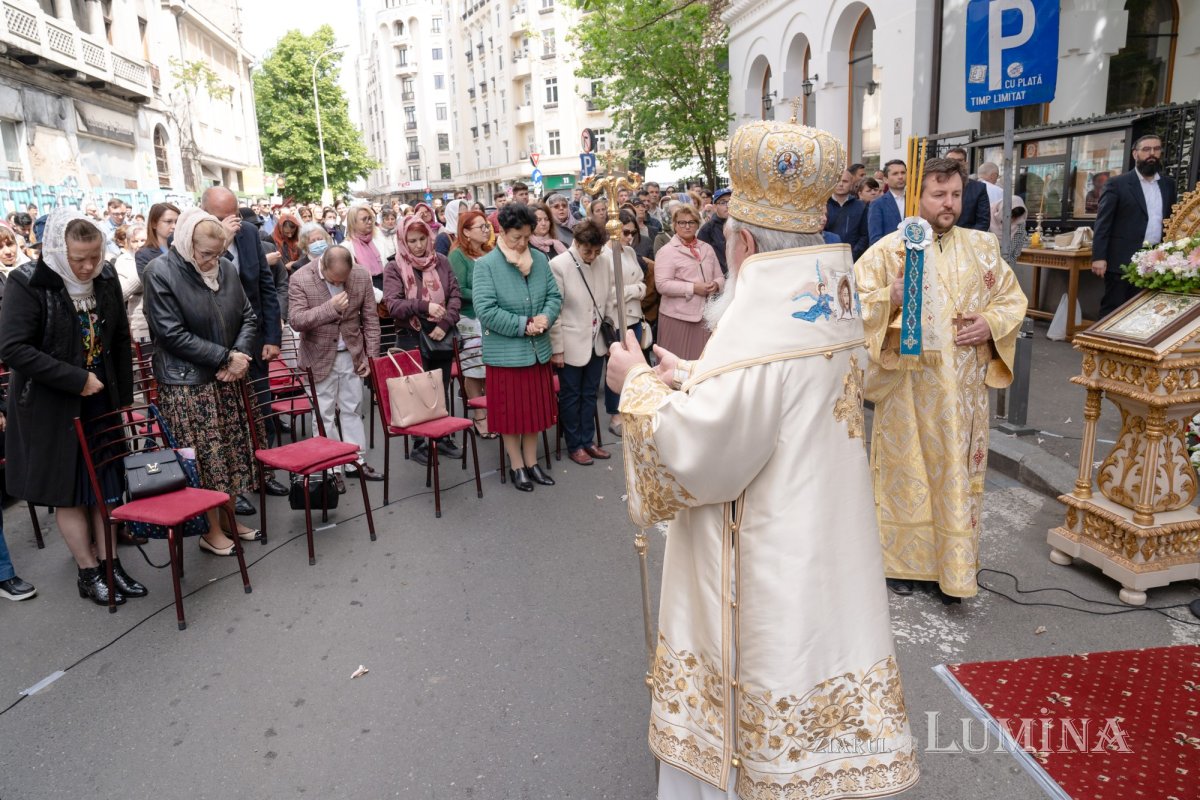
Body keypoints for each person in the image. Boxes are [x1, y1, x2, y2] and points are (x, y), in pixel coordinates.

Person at [606, 119, 918, 800]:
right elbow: (779, 401)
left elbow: (704, 454)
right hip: (822, 544)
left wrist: (635, 385)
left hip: (767, 560)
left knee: (758, 731)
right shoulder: (830, 303)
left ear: (743, 242)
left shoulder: (757, 332)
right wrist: (691, 375)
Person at [855, 157, 1028, 603]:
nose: (948, 204)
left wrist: (990, 323)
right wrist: (887, 296)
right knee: (908, 472)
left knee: (956, 473)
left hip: (964, 392)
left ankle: (954, 567)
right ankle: (901, 563)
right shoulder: (890, 250)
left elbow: (1011, 299)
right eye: (938, 195)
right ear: (919, 197)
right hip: (908, 388)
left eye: (954, 195)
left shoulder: (983, 247)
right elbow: (851, 304)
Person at [0, 210, 143, 605]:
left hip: (101, 400)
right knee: (71, 491)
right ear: (57, 251)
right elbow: (13, 348)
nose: (88, 266)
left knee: (106, 487)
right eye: (79, 258)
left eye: (95, 256)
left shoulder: (106, 275)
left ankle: (112, 565)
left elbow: (119, 337)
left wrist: (123, 396)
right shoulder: (28, 281)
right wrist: (75, 378)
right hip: (52, 408)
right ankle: (88, 571)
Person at [143, 208, 263, 553]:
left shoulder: (225, 267)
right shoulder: (160, 271)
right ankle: (210, 531)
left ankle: (228, 519)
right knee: (205, 461)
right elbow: (170, 333)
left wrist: (238, 356)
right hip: (188, 384)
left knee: (231, 454)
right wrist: (225, 357)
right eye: (206, 253)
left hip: (228, 376)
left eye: (218, 253)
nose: (213, 261)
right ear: (186, 243)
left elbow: (247, 316)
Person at [200, 186, 286, 506]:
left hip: (255, 338)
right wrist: (220, 239)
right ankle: (232, 490)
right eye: (221, 217)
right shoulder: (197, 237)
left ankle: (264, 473)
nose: (231, 222)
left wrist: (272, 337)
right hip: (218, 344)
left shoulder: (249, 233)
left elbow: (265, 285)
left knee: (261, 410)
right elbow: (206, 282)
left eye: (233, 215)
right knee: (227, 420)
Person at [472, 203, 561, 492]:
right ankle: (517, 465)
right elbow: (486, 311)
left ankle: (532, 462)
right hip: (506, 356)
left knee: (534, 413)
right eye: (516, 238)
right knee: (510, 415)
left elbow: (554, 296)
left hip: (537, 351)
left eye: (526, 237)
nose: (522, 243)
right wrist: (524, 324)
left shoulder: (540, 259)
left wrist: (546, 317)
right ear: (502, 232)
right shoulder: (486, 265)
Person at [288, 244, 383, 492]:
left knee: (353, 409)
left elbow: (371, 319)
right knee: (324, 414)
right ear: (323, 266)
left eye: (344, 280)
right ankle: (331, 469)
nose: (339, 284)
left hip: (352, 354)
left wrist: (371, 357)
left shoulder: (360, 275)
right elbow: (296, 320)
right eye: (334, 280)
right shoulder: (301, 278)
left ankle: (355, 461)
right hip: (318, 356)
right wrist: (330, 308)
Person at [383, 216, 464, 466]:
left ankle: (442, 436)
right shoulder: (394, 267)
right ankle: (420, 443)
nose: (418, 245)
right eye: (412, 241)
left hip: (440, 334)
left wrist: (445, 323)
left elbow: (455, 296)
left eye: (422, 239)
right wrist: (424, 305)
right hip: (411, 335)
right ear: (403, 241)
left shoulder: (441, 261)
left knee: (439, 386)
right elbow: (393, 305)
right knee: (416, 390)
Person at [548, 220, 614, 468]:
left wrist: (609, 329)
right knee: (571, 395)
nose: (593, 256)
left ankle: (588, 440)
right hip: (570, 341)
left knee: (590, 394)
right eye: (588, 251)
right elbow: (554, 310)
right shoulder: (559, 265)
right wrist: (557, 348)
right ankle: (574, 444)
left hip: (597, 339)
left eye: (597, 251)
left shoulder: (604, 262)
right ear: (576, 243)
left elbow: (609, 299)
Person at [1092, 134, 1177, 318]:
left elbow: (1170, 220)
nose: (1152, 153)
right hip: (1121, 260)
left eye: (1156, 149)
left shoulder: (1168, 185)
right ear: (1135, 154)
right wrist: (1099, 257)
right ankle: (1102, 338)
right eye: (1146, 149)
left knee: (1143, 312)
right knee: (1113, 310)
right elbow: (1103, 223)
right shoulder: (1117, 184)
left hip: (1155, 259)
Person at [654, 204, 723, 360]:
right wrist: (693, 288)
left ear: (697, 224)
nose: (687, 226)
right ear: (674, 225)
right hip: (677, 317)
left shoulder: (707, 248)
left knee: (701, 363)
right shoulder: (667, 251)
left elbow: (720, 277)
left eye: (691, 222)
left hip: (705, 316)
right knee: (676, 364)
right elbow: (662, 285)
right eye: (682, 222)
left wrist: (716, 285)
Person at [449, 209, 495, 438]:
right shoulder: (458, 255)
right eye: (481, 227)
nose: (486, 230)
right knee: (474, 370)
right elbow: (458, 289)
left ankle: (490, 412)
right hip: (469, 319)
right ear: (466, 232)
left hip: (491, 318)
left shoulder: (490, 251)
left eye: (487, 226)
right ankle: (480, 416)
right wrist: (486, 293)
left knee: (489, 368)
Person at [605, 212, 647, 437]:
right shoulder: (603, 255)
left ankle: (632, 409)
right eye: (626, 232)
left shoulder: (630, 251)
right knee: (617, 367)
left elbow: (642, 283)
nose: (630, 237)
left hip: (635, 317)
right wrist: (634, 290)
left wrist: (632, 290)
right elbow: (608, 293)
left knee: (635, 367)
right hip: (616, 319)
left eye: (633, 232)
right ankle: (615, 414)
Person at [114, 223, 149, 341]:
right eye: (134, 241)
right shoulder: (123, 260)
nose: (140, 244)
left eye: (143, 240)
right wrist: (141, 272)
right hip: (141, 322)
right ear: (128, 242)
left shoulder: (157, 255)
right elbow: (121, 293)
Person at [826, 169, 870, 260]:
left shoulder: (860, 206)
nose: (840, 184)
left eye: (845, 181)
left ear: (851, 183)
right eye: (837, 180)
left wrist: (852, 255)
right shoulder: (823, 205)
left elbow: (865, 235)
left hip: (854, 258)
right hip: (827, 256)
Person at [345, 203, 390, 291]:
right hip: (366, 290)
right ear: (353, 223)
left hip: (386, 285)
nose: (369, 222)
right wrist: (379, 295)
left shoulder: (378, 239)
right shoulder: (347, 247)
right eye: (364, 219)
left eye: (370, 218)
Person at [946, 147, 992, 232]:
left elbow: (983, 222)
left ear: (965, 164)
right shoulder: (936, 185)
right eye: (951, 160)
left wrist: (966, 238)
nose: (955, 164)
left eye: (959, 161)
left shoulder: (978, 188)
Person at [867, 159, 907, 246]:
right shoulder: (877, 204)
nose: (900, 177)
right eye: (895, 174)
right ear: (885, 179)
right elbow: (875, 239)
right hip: (889, 252)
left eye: (903, 173)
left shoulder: (915, 201)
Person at [136, 202, 180, 279]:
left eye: (176, 222)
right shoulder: (143, 255)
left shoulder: (179, 248)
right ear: (154, 223)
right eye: (168, 221)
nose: (174, 226)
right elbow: (149, 282)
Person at [696, 187, 731, 275]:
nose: (728, 205)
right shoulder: (707, 229)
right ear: (715, 207)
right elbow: (701, 258)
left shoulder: (741, 226)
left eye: (731, 201)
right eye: (723, 202)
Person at [992, 196, 1029, 268]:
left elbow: (1017, 248)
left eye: (1015, 217)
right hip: (989, 259)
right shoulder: (989, 214)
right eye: (1010, 215)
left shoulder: (1020, 222)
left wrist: (1009, 265)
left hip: (1008, 262)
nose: (1011, 219)